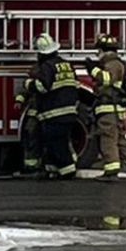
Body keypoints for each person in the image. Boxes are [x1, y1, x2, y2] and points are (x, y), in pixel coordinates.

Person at [85, 34, 126, 180]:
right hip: (115, 110)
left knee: (108, 141)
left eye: (98, 50)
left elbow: (106, 79)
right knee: (119, 140)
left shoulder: (113, 64)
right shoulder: (116, 63)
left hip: (109, 110)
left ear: (103, 50)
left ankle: (111, 171)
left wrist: (92, 69)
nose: (98, 54)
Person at [28, 33, 80, 179]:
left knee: (57, 144)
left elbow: (42, 87)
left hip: (54, 113)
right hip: (69, 112)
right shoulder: (67, 64)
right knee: (57, 142)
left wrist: (29, 84)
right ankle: (52, 169)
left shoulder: (47, 67)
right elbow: (76, 85)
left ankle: (68, 171)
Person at [13, 79, 42, 175]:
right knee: (30, 137)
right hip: (34, 115)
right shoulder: (36, 77)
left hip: (45, 115)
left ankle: (36, 165)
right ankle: (31, 165)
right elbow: (24, 91)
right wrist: (19, 101)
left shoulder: (47, 76)